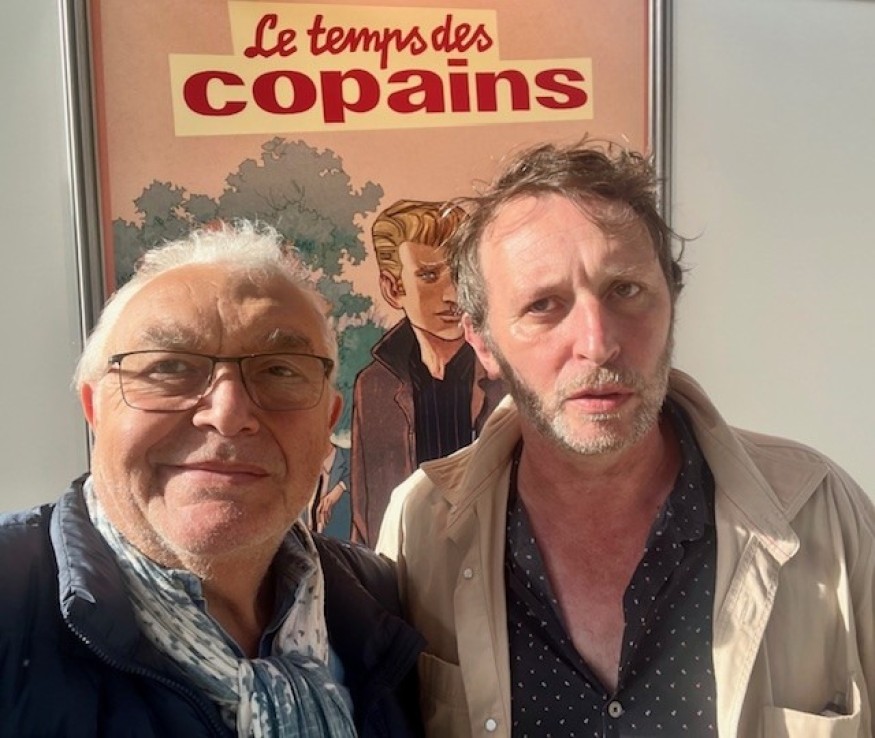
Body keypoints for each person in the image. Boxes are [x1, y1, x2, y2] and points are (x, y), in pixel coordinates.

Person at [377, 142, 875, 737]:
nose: (598, 342)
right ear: (482, 343)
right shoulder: (422, 526)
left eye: (626, 291)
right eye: (544, 305)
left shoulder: (820, 513)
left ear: (672, 303)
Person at [0, 221, 425, 737]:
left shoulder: (383, 600)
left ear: (327, 422)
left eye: (279, 370)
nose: (227, 414)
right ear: (94, 409)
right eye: (169, 367)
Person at [350, 200, 505, 547]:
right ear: (393, 289)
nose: (452, 295)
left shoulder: (506, 374)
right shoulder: (375, 385)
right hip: (403, 571)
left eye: (459, 273)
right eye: (429, 276)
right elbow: (365, 515)